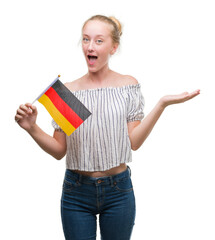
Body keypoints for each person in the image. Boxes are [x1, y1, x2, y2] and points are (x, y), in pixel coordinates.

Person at [15, 15, 200, 240]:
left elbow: (135, 142)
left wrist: (162, 104)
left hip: (119, 191)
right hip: (76, 193)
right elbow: (58, 150)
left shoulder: (127, 86)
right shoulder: (68, 92)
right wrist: (31, 128)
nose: (90, 47)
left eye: (98, 41)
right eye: (85, 39)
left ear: (114, 47)